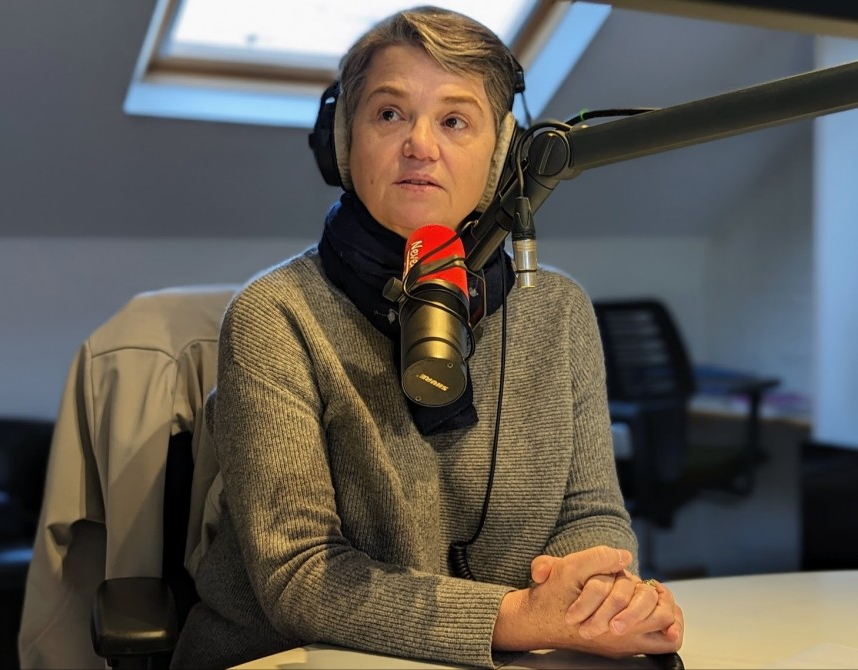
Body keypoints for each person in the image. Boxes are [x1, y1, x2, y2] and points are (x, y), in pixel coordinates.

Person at [172, 6, 684, 669]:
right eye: (389, 114)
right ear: (343, 141)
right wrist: (516, 617)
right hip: (285, 656)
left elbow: (588, 512)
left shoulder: (556, 310)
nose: (419, 144)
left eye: (454, 120)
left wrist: (597, 598)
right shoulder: (275, 315)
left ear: (500, 153)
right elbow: (299, 574)